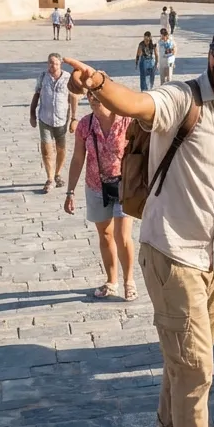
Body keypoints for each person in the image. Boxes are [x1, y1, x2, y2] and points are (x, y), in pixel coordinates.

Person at [64, 17, 214, 427]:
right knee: (196, 366)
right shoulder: (183, 99)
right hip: (171, 254)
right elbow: (137, 103)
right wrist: (99, 82)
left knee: (184, 354)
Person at [64, 97, 136, 300]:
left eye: (98, 96)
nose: (94, 100)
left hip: (123, 186)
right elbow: (78, 158)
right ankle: (111, 281)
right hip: (96, 185)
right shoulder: (85, 125)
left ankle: (129, 281)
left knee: (122, 236)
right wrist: (70, 192)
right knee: (105, 235)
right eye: (90, 97)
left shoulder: (127, 121)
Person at [30, 53, 79, 193]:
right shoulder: (43, 77)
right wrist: (32, 114)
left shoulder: (68, 78)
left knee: (61, 148)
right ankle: (50, 178)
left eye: (56, 63)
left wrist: (74, 118)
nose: (53, 66)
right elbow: (36, 95)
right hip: (44, 118)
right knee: (46, 150)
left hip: (61, 119)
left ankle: (57, 173)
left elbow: (73, 98)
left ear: (60, 64)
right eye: (51, 63)